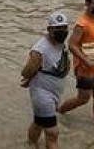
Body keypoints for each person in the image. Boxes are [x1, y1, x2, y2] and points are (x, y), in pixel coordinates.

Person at [59, 0, 94, 128]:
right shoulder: (81, 24)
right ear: (87, 3)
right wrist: (85, 60)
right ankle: (60, 111)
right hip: (85, 68)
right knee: (83, 99)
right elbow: (72, 45)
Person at [21, 12, 71, 149]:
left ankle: (31, 144)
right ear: (49, 30)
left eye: (64, 28)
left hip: (55, 91)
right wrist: (32, 72)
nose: (62, 31)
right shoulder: (40, 49)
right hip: (43, 93)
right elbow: (25, 71)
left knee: (39, 122)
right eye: (57, 28)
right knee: (52, 133)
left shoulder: (61, 43)